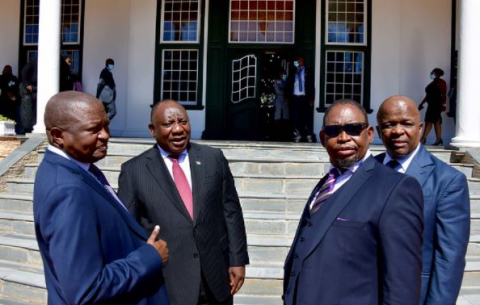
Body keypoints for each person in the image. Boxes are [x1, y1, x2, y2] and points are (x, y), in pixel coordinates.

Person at [33, 91, 170, 305]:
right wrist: (150, 257)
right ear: (58, 136)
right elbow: (86, 290)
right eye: (93, 129)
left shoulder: (79, 168)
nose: (106, 135)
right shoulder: (67, 191)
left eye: (106, 125)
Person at [283, 99, 424, 305]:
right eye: (333, 131)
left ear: (369, 135)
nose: (343, 138)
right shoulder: (327, 183)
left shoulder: (396, 188)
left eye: (353, 129)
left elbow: (402, 284)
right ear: (323, 138)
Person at [118, 100, 249, 305]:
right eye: (168, 124)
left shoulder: (213, 158)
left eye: (183, 122)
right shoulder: (134, 171)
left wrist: (238, 259)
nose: (178, 129)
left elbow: (231, 211)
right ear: (152, 130)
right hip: (167, 281)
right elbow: (126, 230)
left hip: (215, 277)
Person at [376, 95, 470, 305]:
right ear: (379, 130)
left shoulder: (448, 181)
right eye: (389, 124)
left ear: (419, 128)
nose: (398, 131)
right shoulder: (365, 172)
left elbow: (449, 259)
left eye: (406, 124)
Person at [285, 56, 315, 143]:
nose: (299, 62)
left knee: (305, 117)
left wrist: (312, 98)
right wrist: (286, 96)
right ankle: (297, 136)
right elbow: (288, 84)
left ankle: (308, 135)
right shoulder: (293, 71)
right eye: (297, 61)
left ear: (303, 62)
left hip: (305, 97)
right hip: (295, 97)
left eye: (300, 61)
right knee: (295, 117)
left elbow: (311, 85)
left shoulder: (308, 71)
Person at [418, 68, 447, 145]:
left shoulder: (441, 82)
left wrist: (444, 105)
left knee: (432, 121)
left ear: (438, 74)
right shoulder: (432, 83)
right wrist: (422, 103)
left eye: (433, 73)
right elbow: (427, 96)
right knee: (432, 121)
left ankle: (424, 138)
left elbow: (444, 94)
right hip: (430, 105)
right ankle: (438, 139)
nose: (432, 74)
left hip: (437, 104)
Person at [19, 58, 38, 133]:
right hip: (32, 89)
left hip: (39, 88)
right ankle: (28, 128)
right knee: (30, 110)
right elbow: (24, 71)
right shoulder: (34, 62)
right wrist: (27, 84)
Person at [273, 69, 289, 141]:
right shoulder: (276, 81)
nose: (283, 75)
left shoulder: (286, 81)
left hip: (286, 99)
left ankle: (285, 131)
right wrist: (283, 90)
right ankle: (277, 132)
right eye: (282, 74)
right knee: (277, 114)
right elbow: (278, 90)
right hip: (279, 98)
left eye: (284, 74)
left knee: (286, 114)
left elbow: (288, 89)